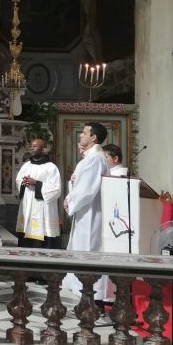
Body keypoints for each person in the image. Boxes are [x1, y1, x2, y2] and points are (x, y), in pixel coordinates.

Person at [63, 122, 109, 299]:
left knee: (89, 249)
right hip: (84, 211)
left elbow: (87, 189)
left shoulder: (96, 158)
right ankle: (83, 292)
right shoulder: (89, 158)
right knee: (81, 248)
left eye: (84, 133)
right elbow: (76, 181)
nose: (80, 135)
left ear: (93, 137)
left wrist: (70, 201)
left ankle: (91, 295)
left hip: (91, 213)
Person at [15, 138, 61, 249]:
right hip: (27, 204)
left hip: (42, 207)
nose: (32, 148)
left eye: (35, 146)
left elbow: (56, 189)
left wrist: (36, 183)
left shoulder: (51, 167)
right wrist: (24, 183)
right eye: (31, 146)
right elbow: (18, 180)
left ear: (43, 149)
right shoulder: (27, 165)